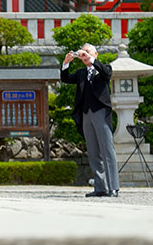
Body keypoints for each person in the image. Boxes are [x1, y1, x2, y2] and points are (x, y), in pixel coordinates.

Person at [61, 43, 120, 198]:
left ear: (95, 54)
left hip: (100, 112)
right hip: (86, 114)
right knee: (93, 152)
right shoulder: (81, 73)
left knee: (107, 150)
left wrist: (92, 60)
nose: (84, 55)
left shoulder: (103, 68)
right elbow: (66, 78)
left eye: (88, 52)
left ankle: (113, 187)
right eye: (83, 53)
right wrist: (66, 63)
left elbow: (107, 73)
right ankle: (100, 187)